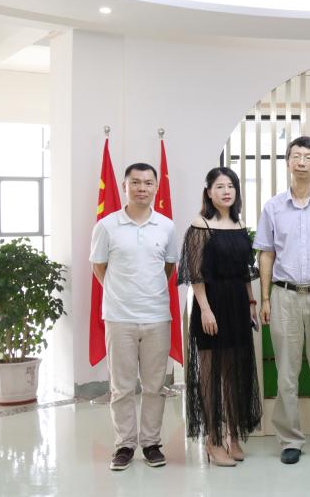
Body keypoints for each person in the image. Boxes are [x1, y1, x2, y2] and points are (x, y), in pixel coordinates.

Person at [254, 136, 310, 465]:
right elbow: (266, 254)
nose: (302, 161)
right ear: (288, 162)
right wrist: (265, 298)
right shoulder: (273, 207)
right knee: (286, 372)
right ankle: (290, 439)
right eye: (296, 156)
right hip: (284, 296)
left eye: (308, 156)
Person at [90, 163, 178, 471]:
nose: (142, 188)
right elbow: (99, 267)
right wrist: (121, 293)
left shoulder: (166, 226)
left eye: (148, 183)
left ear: (156, 187)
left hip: (157, 317)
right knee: (122, 387)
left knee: (155, 386)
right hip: (119, 318)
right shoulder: (106, 226)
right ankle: (124, 445)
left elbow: (168, 267)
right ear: (124, 186)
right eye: (136, 182)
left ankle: (151, 443)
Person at [179, 167, 262, 466]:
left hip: (238, 303)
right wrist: (205, 309)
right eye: (220, 186)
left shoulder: (238, 224)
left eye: (231, 186)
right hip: (211, 304)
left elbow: (245, 272)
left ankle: (232, 436)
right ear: (208, 192)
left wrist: (251, 302)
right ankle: (212, 441)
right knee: (210, 374)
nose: (226, 191)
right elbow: (195, 273)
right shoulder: (200, 225)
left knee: (233, 374)